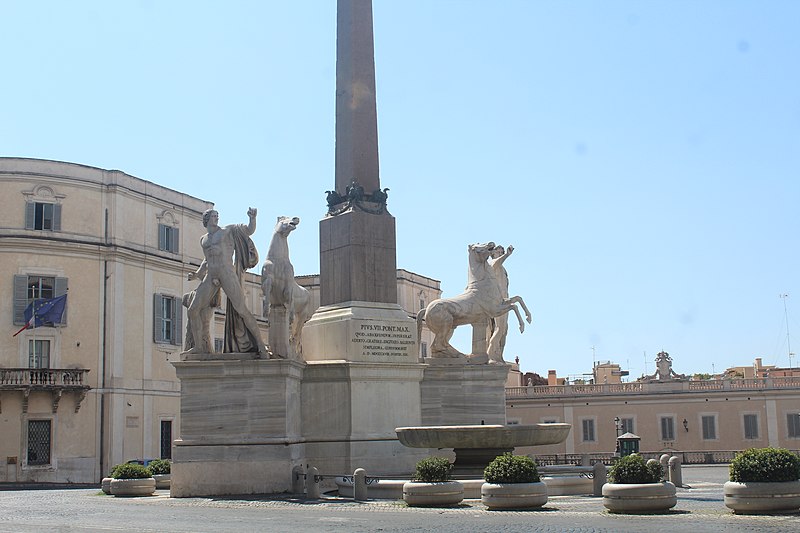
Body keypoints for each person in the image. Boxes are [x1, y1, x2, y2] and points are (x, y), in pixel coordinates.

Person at [187, 208, 272, 357]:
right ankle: (199, 347)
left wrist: (252, 219)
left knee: (241, 309)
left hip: (226, 273)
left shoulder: (227, 231)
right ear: (206, 220)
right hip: (211, 276)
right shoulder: (203, 239)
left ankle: (260, 344)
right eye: (213, 216)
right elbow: (207, 259)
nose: (216, 218)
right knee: (193, 309)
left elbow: (248, 230)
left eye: (217, 216)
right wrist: (197, 274)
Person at [486, 244, 513, 363]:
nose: (501, 252)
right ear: (493, 254)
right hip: (497, 301)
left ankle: (499, 355)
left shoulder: (503, 269)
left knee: (504, 330)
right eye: (499, 251)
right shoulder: (492, 264)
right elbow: (497, 262)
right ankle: (490, 354)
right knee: (498, 328)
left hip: (504, 299)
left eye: (502, 251)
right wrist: (507, 254)